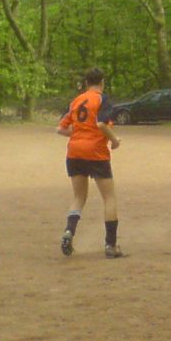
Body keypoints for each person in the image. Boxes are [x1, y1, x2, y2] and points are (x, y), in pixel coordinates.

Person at [57, 67, 124, 258]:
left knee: (78, 197)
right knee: (109, 198)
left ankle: (69, 231)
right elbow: (101, 124)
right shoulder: (102, 99)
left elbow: (60, 129)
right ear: (102, 82)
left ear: (86, 83)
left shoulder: (76, 100)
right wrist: (114, 140)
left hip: (74, 152)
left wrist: (79, 134)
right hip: (95, 153)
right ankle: (110, 246)